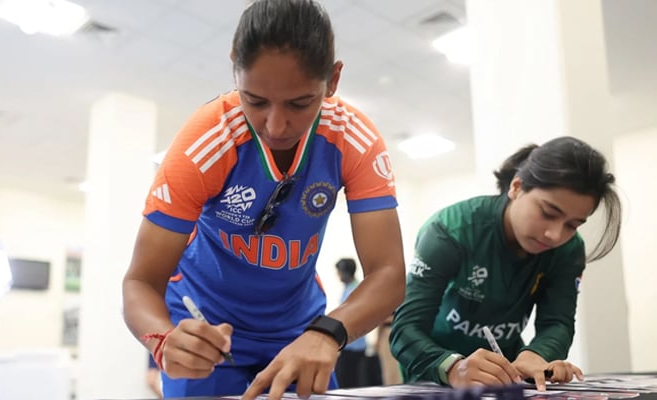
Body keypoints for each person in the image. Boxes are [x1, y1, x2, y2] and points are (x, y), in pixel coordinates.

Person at [121, 0, 406, 399]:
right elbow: (139, 281)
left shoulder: (352, 138)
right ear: (234, 68)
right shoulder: (206, 142)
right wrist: (163, 340)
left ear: (333, 80)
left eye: (299, 103)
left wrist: (330, 332)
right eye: (254, 100)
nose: (275, 125)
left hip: (299, 331)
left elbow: (389, 273)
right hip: (207, 333)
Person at [389, 136, 622, 391]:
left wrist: (536, 354)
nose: (555, 235)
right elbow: (405, 329)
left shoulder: (568, 248)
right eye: (548, 213)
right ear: (517, 186)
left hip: (507, 379)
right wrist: (452, 367)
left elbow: (557, 322)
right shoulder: (450, 230)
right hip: (435, 375)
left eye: (573, 224)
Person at [334, 258, 371, 388]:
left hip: (353, 345)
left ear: (345, 272)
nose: (337, 276)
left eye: (338, 272)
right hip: (351, 344)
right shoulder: (351, 287)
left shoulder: (354, 290)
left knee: (349, 382)